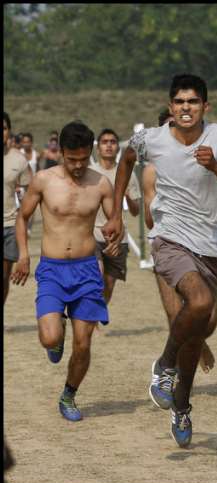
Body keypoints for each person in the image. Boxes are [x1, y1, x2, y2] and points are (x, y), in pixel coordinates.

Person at [103, 73, 217, 447]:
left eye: (193, 102)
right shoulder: (150, 139)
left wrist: (216, 168)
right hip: (169, 239)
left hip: (212, 247)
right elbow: (125, 159)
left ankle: (182, 406)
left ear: (206, 106)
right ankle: (164, 364)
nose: (186, 108)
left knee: (198, 331)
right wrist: (116, 213)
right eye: (179, 102)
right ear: (171, 108)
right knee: (199, 303)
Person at [11, 121, 115, 422]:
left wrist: (114, 235)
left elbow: (114, 222)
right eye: (72, 159)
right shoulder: (44, 180)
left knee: (84, 343)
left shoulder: (100, 183)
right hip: (53, 270)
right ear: (61, 153)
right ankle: (56, 337)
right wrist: (24, 256)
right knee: (49, 337)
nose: (78, 165)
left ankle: (69, 394)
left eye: (83, 158)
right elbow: (23, 218)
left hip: (86, 270)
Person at [141, 110, 215, 374]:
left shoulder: (204, 166)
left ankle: (200, 340)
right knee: (175, 314)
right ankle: (174, 375)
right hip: (167, 243)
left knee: (207, 318)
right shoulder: (151, 172)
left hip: (202, 246)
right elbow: (150, 220)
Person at [89, 129, 141, 304]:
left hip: (118, 238)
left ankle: (96, 316)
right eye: (104, 142)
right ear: (98, 148)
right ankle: (90, 322)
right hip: (92, 234)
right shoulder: (89, 172)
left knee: (108, 285)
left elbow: (135, 211)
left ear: (118, 147)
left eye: (112, 142)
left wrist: (127, 196)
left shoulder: (128, 173)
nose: (109, 145)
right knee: (95, 278)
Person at [4, 112, 33, 306]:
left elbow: (29, 194)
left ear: (9, 132)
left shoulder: (19, 161)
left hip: (9, 226)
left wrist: (24, 222)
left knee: (3, 278)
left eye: (4, 128)